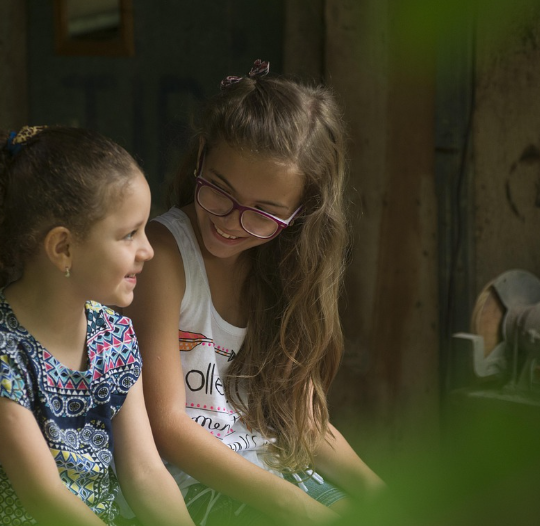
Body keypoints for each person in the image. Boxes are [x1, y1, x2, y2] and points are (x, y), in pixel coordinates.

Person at [119, 61, 386, 526]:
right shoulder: (164, 254)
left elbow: (301, 421)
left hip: (279, 476)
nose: (229, 222)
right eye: (220, 191)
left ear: (301, 214)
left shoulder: (283, 273)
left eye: (263, 213)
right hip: (190, 488)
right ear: (201, 157)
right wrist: (292, 505)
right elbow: (166, 427)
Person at [0, 125, 195, 526]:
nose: (148, 250)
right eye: (128, 234)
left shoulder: (114, 335)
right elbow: (43, 495)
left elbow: (146, 473)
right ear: (63, 247)